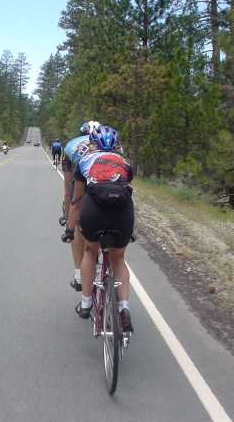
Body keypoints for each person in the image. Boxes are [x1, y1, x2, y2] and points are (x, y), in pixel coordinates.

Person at [62, 125, 134, 333]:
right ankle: (124, 308)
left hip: (94, 213)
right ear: (116, 145)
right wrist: (132, 229)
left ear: (92, 143)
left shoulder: (84, 161)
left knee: (90, 251)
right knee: (118, 259)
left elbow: (76, 202)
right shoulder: (125, 163)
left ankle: (85, 304)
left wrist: (70, 229)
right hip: (122, 215)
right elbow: (129, 194)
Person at [60, 121, 101, 291]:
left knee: (77, 227)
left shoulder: (71, 146)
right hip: (112, 196)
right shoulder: (110, 142)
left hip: (83, 193)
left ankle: (79, 275)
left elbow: (68, 189)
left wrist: (68, 215)